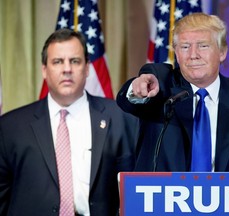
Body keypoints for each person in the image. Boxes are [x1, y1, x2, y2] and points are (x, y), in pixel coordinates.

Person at [116, 13, 229, 172]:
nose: (193, 55)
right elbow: (128, 100)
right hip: (163, 200)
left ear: (222, 52)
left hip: (225, 201)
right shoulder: (162, 86)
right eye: (184, 47)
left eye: (203, 46)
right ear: (176, 53)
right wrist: (137, 90)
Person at [0, 29, 138, 216]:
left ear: (87, 67)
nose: (67, 69)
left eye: (75, 61)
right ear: (44, 70)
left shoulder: (121, 118)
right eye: (57, 62)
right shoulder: (10, 127)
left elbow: (135, 192)